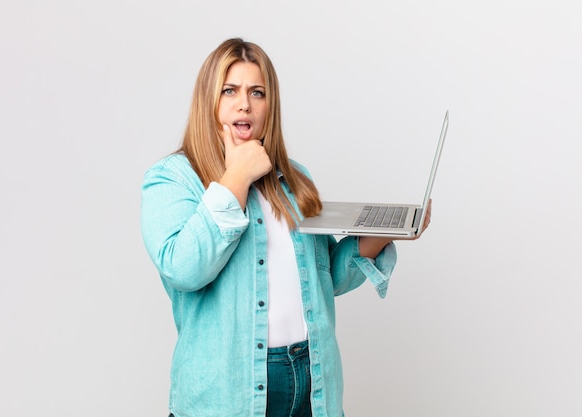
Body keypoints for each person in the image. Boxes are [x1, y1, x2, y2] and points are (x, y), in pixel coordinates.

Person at [141, 38, 431, 417]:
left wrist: (390, 229)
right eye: (230, 90)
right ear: (208, 101)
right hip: (229, 393)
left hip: (312, 380)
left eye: (257, 92)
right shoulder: (173, 179)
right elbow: (183, 269)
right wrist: (236, 177)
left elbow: (326, 277)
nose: (244, 103)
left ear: (269, 106)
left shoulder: (293, 179)